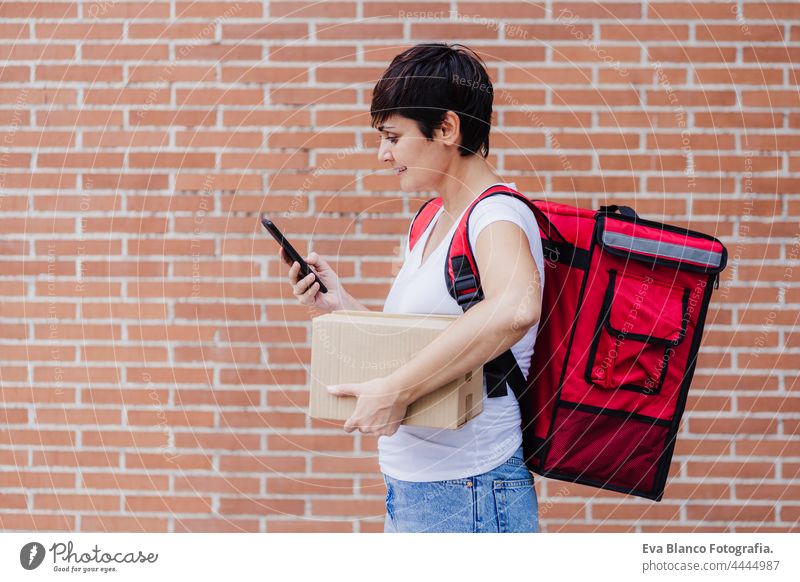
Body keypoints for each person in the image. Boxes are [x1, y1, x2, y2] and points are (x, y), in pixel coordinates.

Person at [280, 43, 544, 533]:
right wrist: (341, 305)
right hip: (418, 488)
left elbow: (515, 308)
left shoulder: (496, 215)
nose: (383, 154)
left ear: (446, 128)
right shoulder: (430, 220)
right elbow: (422, 341)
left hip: (471, 490)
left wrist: (395, 392)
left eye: (393, 137)